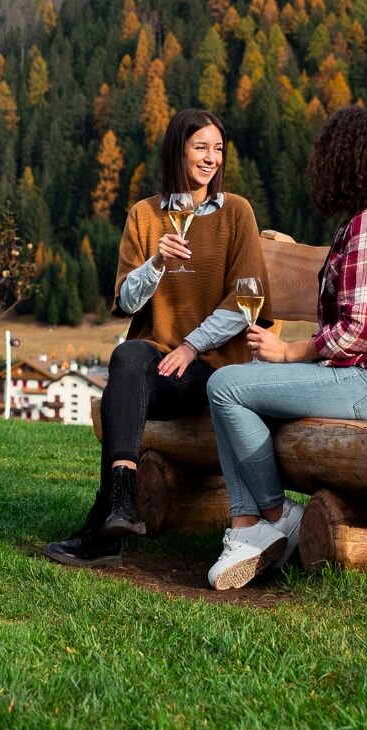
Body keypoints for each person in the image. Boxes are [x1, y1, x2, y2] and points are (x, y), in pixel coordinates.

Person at [201, 107, 367, 590]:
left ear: (351, 161)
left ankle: (275, 515)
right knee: (229, 384)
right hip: (362, 376)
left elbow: (361, 333)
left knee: (226, 386)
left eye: (328, 154)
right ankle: (247, 528)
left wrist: (288, 352)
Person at [41, 108, 269, 568]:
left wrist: (191, 345)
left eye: (218, 149)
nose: (211, 158)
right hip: (155, 366)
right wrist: (157, 264)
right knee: (127, 356)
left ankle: (105, 524)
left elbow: (248, 296)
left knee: (118, 391)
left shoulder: (236, 212)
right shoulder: (145, 215)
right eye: (200, 147)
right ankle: (122, 502)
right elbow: (127, 303)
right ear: (177, 151)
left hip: (212, 367)